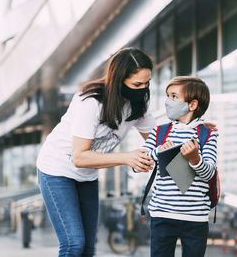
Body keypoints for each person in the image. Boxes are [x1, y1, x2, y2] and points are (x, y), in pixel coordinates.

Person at [36, 47, 157, 257]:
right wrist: (127, 158)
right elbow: (80, 157)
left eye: (147, 83)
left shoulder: (138, 105)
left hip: (87, 175)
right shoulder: (90, 101)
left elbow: (158, 141)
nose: (142, 89)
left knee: (88, 248)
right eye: (137, 84)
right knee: (74, 244)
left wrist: (192, 126)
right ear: (119, 80)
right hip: (56, 170)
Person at [141, 76, 218, 257]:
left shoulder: (207, 135)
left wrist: (194, 159)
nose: (168, 102)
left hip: (196, 218)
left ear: (192, 105)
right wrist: (158, 151)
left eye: (174, 97)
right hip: (162, 215)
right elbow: (139, 164)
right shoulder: (159, 132)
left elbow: (209, 174)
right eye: (167, 96)